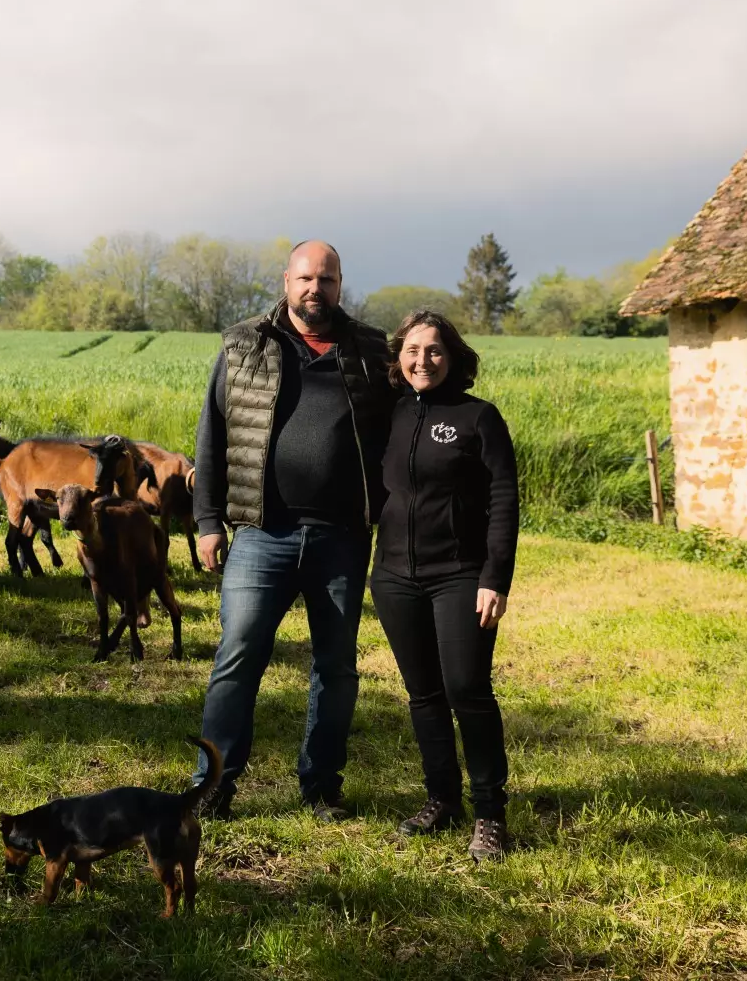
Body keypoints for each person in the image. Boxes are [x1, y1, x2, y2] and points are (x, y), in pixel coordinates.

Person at [190, 240, 394, 820]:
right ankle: (214, 785)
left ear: (340, 284)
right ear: (286, 281)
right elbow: (213, 432)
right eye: (305, 279)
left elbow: (400, 430)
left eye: (326, 280)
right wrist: (209, 521)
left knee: (336, 666)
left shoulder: (370, 350)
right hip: (262, 533)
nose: (315, 290)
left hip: (342, 538)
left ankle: (321, 785)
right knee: (238, 656)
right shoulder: (245, 343)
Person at [368, 309, 519, 861]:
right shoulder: (389, 414)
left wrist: (494, 577)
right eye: (412, 350)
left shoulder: (479, 417)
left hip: (460, 575)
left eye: (433, 350)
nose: (422, 360)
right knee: (423, 694)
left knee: (466, 690)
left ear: (452, 356)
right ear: (398, 357)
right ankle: (441, 800)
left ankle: (490, 815)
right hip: (393, 578)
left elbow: (504, 499)